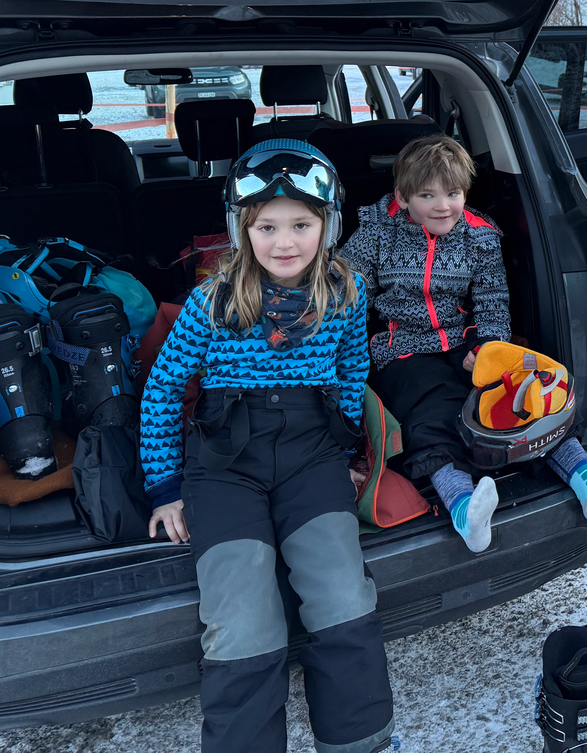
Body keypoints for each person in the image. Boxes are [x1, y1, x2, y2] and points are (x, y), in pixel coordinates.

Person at [141, 140, 394, 753]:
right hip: (226, 465)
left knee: (340, 592)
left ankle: (357, 739)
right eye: (267, 226)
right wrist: (165, 488)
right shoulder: (213, 302)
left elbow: (349, 374)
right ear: (241, 229)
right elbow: (163, 388)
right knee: (244, 612)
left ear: (328, 225)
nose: (285, 242)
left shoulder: (346, 293)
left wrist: (353, 457)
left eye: (302, 225)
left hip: (310, 453)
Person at [340, 134, 587, 554]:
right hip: (402, 348)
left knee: (518, 395)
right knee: (432, 412)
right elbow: (346, 290)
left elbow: (493, 298)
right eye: (427, 195)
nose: (442, 205)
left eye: (453, 193)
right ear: (403, 197)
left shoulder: (479, 236)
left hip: (462, 340)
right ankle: (465, 509)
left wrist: (488, 349)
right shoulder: (377, 232)